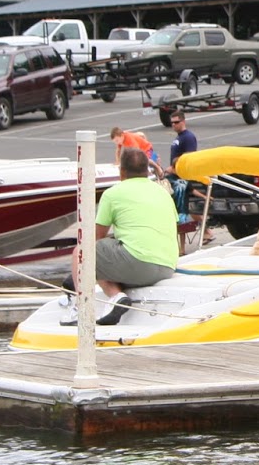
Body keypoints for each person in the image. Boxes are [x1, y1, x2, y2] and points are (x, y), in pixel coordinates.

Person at [67, 147, 178, 325]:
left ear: (122, 171)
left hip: (140, 264)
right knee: (105, 256)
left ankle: (81, 308)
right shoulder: (163, 193)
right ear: (145, 170)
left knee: (81, 252)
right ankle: (116, 298)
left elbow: (96, 238)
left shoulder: (113, 194)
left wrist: (79, 276)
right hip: (167, 265)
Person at [164, 111, 201, 252]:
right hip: (175, 177)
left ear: (183, 121)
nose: (173, 125)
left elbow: (189, 157)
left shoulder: (188, 137)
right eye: (172, 123)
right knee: (186, 208)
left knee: (181, 211)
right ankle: (206, 229)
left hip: (181, 178)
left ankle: (183, 248)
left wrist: (174, 169)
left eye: (176, 122)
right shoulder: (179, 137)